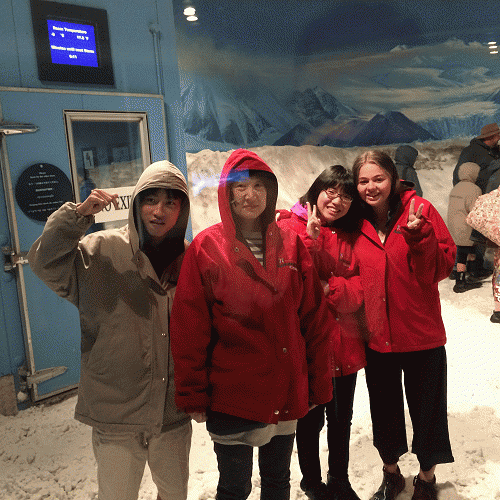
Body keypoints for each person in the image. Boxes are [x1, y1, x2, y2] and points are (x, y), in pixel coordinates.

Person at [170, 149, 335, 500]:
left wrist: (318, 383)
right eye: (241, 186)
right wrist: (192, 392)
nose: (250, 195)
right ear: (227, 192)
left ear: (270, 191)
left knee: (277, 482)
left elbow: (314, 321)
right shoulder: (207, 248)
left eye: (259, 186)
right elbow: (190, 329)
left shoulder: (291, 243)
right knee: (235, 487)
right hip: (233, 394)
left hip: (284, 387)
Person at [28, 161, 192, 500]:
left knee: (174, 494)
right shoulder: (100, 251)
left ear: (183, 209)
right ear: (137, 203)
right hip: (116, 414)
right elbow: (45, 263)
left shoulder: (192, 260)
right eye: (151, 200)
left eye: (171, 202)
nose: (159, 211)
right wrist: (76, 218)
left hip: (171, 414)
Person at [351, 150, 456, 500]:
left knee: (428, 411)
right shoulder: (356, 220)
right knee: (384, 412)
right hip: (377, 336)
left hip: (421, 334)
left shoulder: (421, 210)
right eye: (363, 181)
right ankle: (392, 474)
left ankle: (426, 478)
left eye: (378, 178)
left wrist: (420, 237)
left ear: (394, 179)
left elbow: (439, 270)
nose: (371, 187)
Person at [276, 165, 364, 500]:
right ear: (317, 190)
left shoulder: (353, 233)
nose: (337, 201)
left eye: (346, 196)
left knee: (341, 419)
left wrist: (333, 288)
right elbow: (289, 284)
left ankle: (339, 480)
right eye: (331, 191)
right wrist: (310, 242)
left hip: (345, 343)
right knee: (309, 419)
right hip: (308, 344)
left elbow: (362, 285)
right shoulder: (288, 226)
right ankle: (312, 481)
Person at [447, 162, 483, 293]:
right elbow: (475, 211)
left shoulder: (456, 188)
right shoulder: (474, 189)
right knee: (464, 254)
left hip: (453, 224)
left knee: (463, 251)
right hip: (465, 225)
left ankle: (463, 274)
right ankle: (461, 281)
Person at [452, 123, 500, 192]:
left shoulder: (495, 149)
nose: (499, 137)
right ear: (490, 137)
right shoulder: (470, 151)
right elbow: (458, 175)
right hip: (477, 190)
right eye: (498, 135)